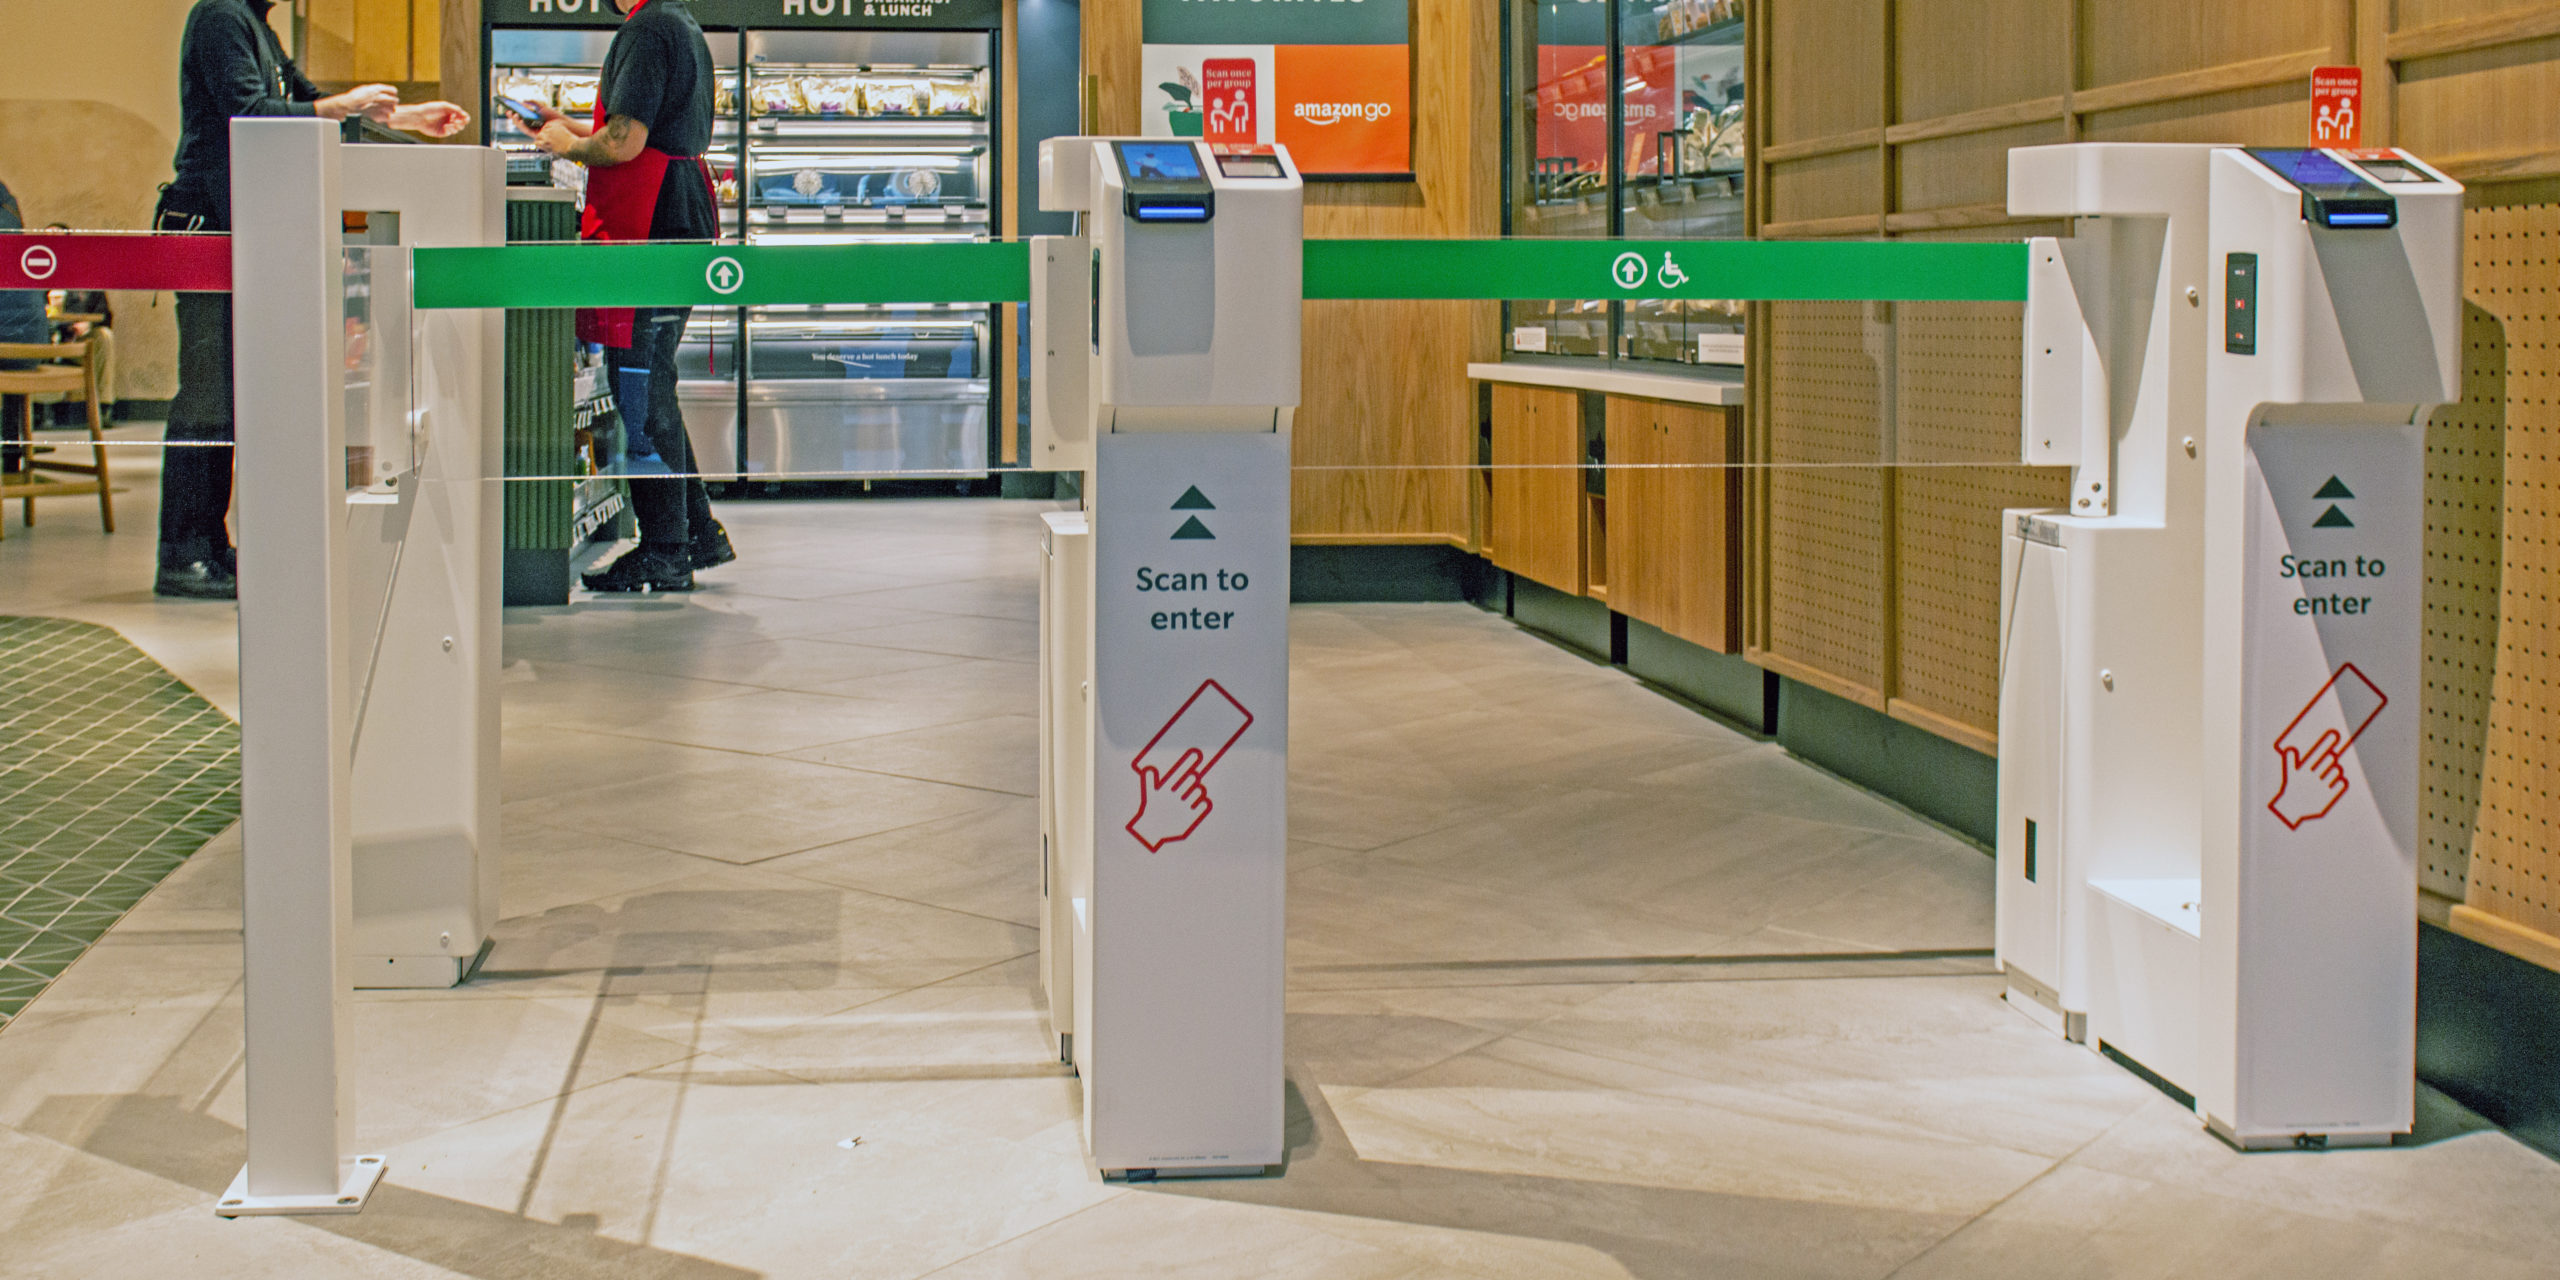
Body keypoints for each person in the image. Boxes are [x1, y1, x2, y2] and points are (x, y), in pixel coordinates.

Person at [155, 0, 468, 599]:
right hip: (209, 228)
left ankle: (210, 543)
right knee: (207, 391)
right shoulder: (221, 16)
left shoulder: (257, 27)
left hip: (241, 225)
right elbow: (254, 114)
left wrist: (403, 117)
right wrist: (342, 105)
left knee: (229, 390)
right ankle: (183, 551)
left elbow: (307, 100)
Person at [529, 0, 734, 593]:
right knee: (653, 381)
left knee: (640, 385)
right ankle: (696, 531)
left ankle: (666, 549)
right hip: (680, 208)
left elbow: (623, 142)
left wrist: (568, 144)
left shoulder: (646, 28)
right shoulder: (680, 22)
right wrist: (567, 125)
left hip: (653, 215)